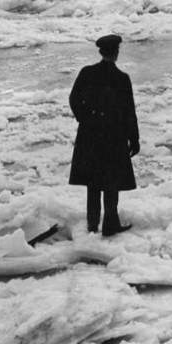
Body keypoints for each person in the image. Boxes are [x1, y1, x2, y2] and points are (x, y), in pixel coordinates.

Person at [69, 34, 140, 236]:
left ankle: (92, 226)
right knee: (111, 182)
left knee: (93, 183)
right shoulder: (122, 78)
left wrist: (85, 118)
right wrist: (134, 139)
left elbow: (74, 99)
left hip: (90, 136)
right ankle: (110, 224)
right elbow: (129, 112)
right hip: (114, 137)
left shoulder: (87, 73)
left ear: (101, 52)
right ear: (116, 53)